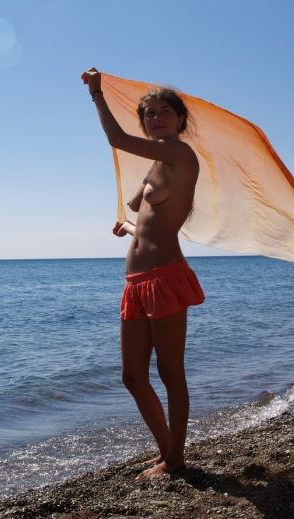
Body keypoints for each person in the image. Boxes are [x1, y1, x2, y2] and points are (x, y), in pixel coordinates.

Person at [81, 67, 205, 479]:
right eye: (149, 113)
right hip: (135, 283)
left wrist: (97, 94)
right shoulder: (158, 163)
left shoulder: (181, 154)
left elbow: (117, 140)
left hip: (165, 276)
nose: (156, 118)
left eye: (165, 112)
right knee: (133, 376)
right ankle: (167, 451)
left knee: (170, 371)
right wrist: (129, 228)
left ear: (180, 119)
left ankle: (175, 458)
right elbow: (148, 221)